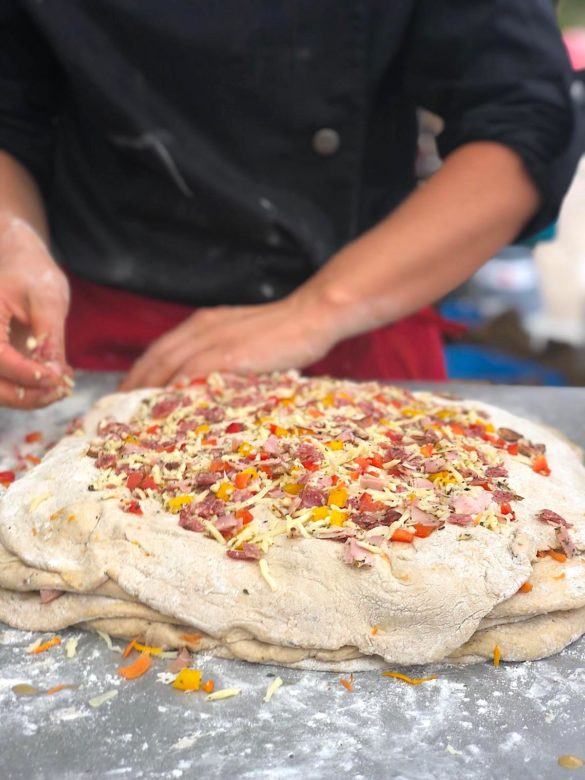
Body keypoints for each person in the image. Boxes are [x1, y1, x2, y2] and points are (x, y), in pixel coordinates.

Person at [0, 1, 581, 409]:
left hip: (359, 307)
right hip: (99, 331)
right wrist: (11, 233)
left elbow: (526, 122)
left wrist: (317, 311)